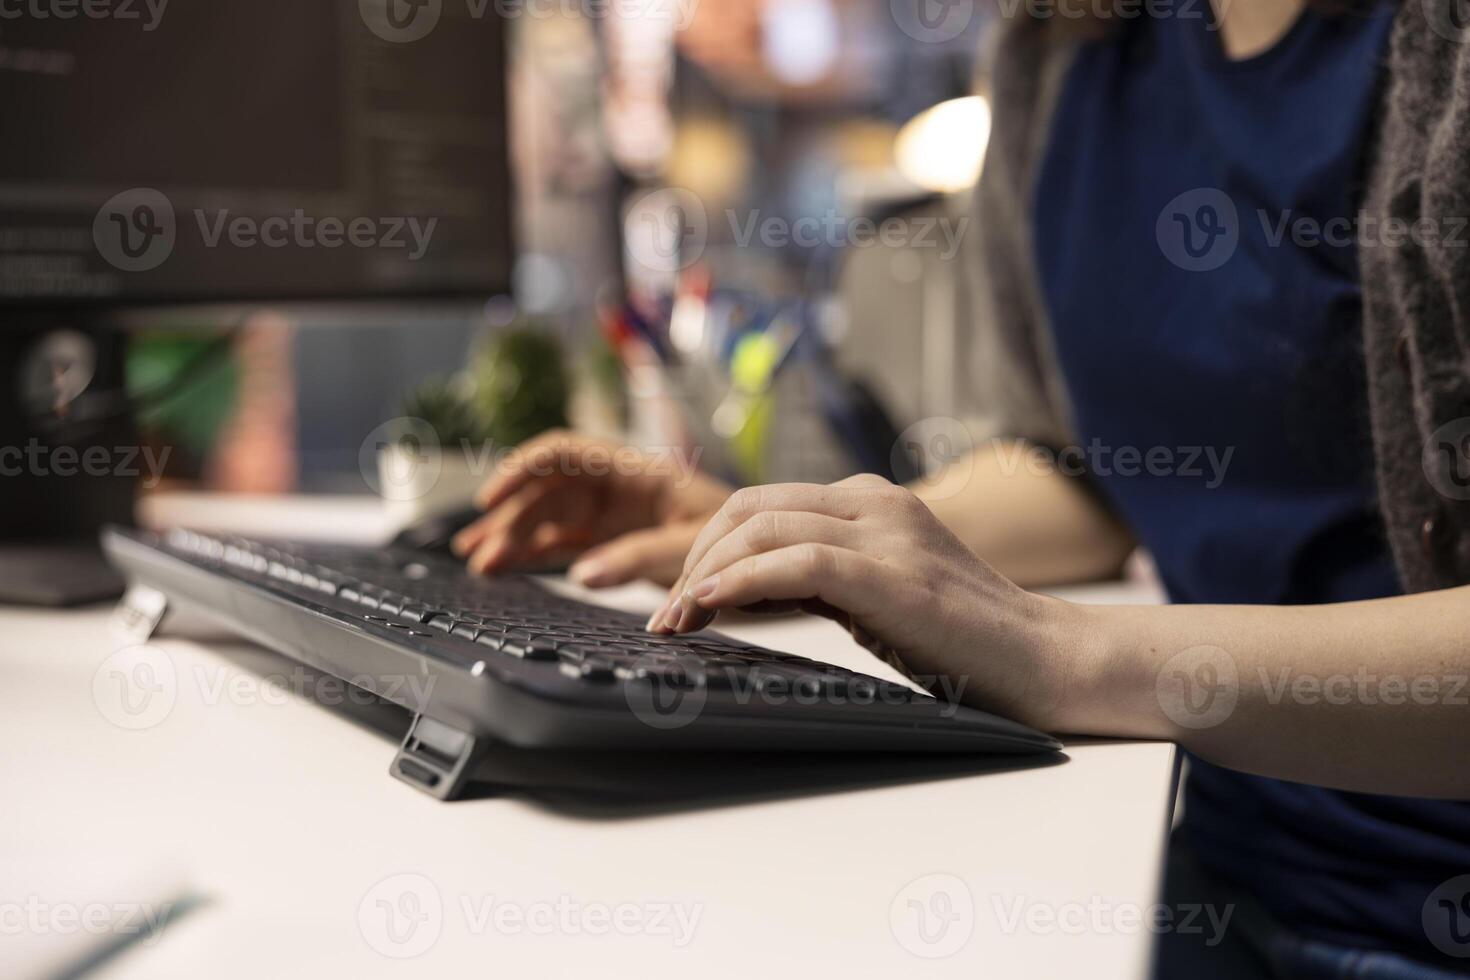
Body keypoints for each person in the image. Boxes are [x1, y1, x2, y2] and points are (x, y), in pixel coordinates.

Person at [452, 0, 1470, 974]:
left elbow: (1070, 633)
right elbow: (1080, 473)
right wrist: (793, 531)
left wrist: (1062, 653)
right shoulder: (1070, 45)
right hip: (1210, 864)